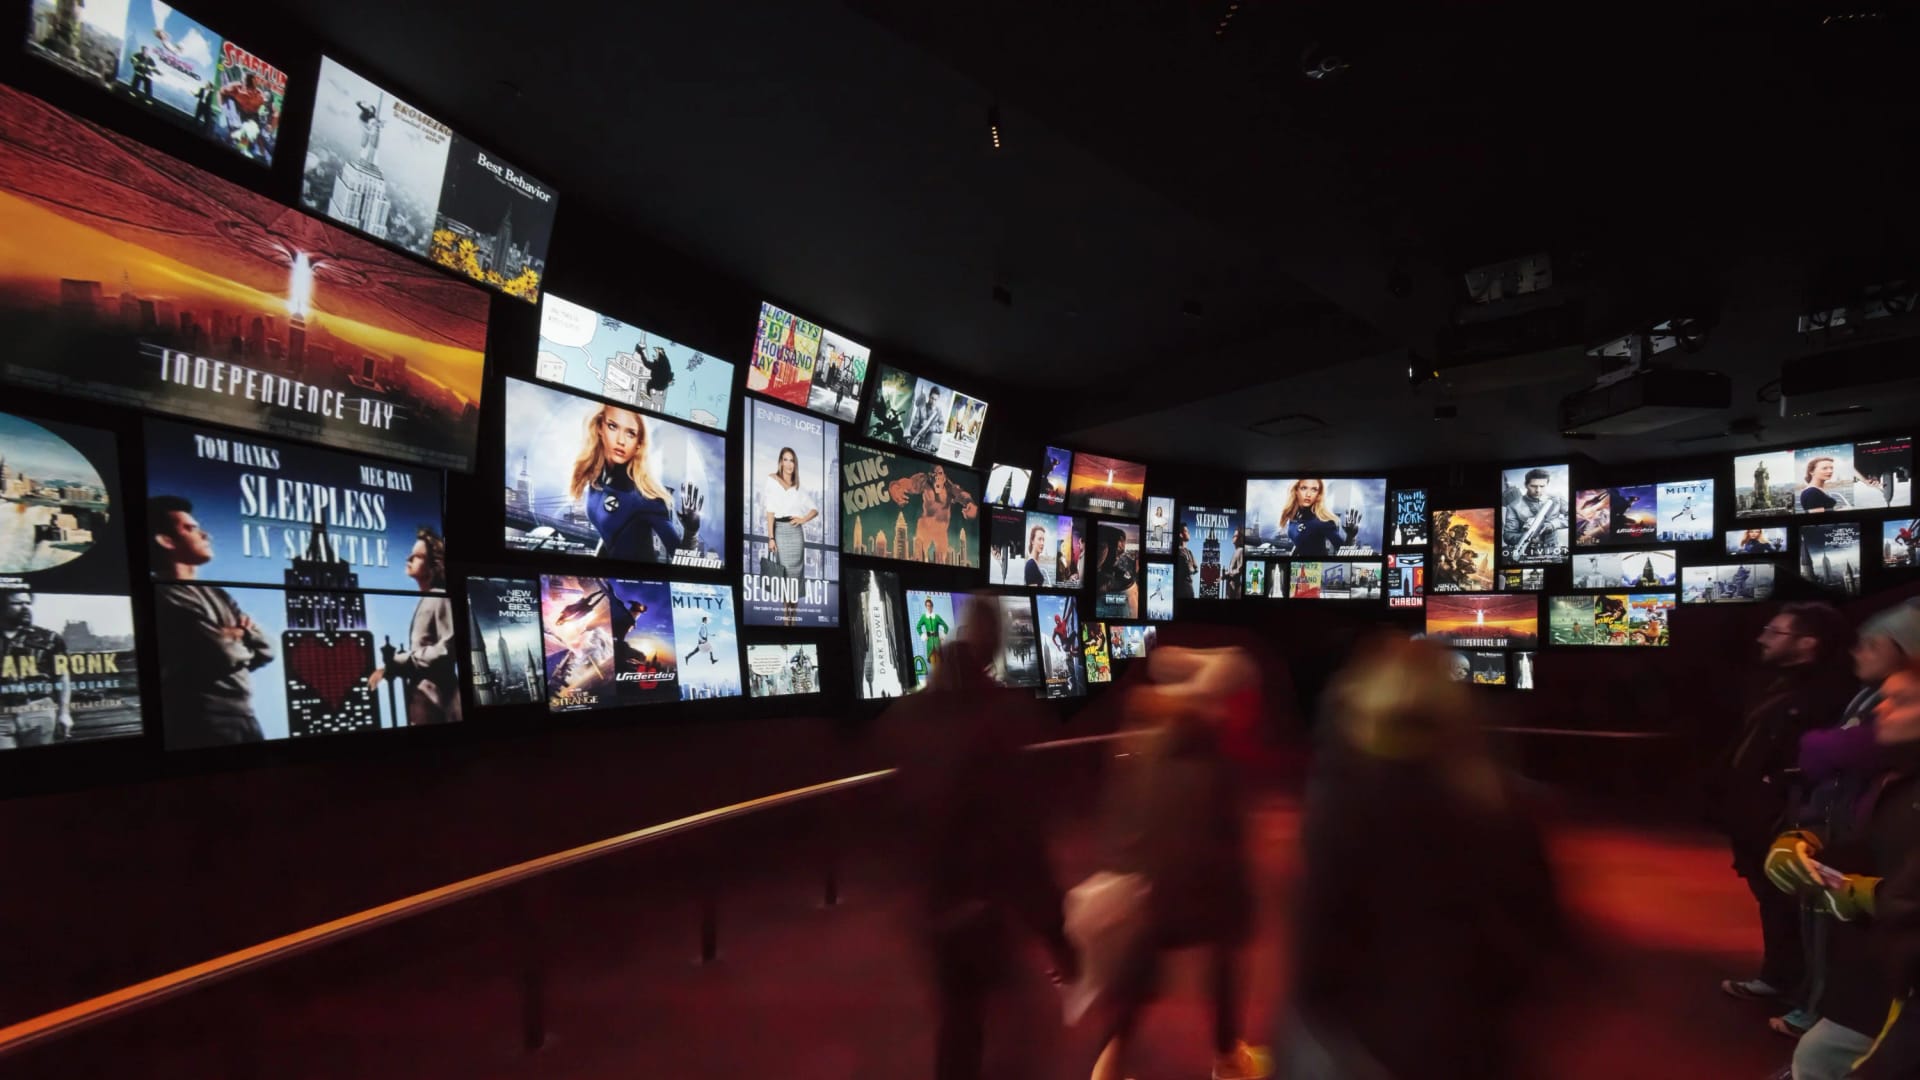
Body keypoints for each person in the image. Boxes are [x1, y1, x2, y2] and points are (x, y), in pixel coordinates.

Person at [1288, 635, 1563, 1079]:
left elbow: (1320, 945)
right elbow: (1542, 938)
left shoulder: (1347, 809)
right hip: (1472, 1044)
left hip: (1371, 1044)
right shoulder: (1504, 807)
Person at [888, 597, 1076, 1080]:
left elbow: (897, 807)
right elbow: (1022, 837)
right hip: (983, 904)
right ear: (993, 644)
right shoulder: (1000, 717)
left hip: (934, 901)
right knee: (1006, 1027)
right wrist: (1056, 934)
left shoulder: (911, 712)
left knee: (960, 1020)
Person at [1089, 646, 1271, 1080]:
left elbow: (1124, 818)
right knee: (1225, 959)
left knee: (1137, 985)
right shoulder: (1211, 755)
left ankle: (1107, 1069)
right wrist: (1243, 906)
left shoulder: (1144, 743)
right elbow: (1223, 843)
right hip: (1194, 895)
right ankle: (1228, 1061)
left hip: (1150, 894)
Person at [1759, 600, 1920, 1071]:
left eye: (1904, 699)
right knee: (1820, 1050)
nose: (1882, 709)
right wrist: (1803, 837)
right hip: (1882, 970)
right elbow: (1869, 833)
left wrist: (1868, 895)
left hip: (1902, 980)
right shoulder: (1900, 774)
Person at [1710, 602, 1859, 1005]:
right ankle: (1785, 978)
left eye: (1775, 632)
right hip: (1756, 818)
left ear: (1807, 643)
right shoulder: (1776, 684)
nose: (1762, 638)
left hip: (1785, 822)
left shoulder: (1828, 695)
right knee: (1772, 902)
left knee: (1789, 904)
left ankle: (1796, 988)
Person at [149, 495, 274, 747]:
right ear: (166, 541)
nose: (206, 535)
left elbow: (267, 647)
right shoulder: (163, 593)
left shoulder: (218, 593)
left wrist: (235, 634)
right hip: (202, 723)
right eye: (191, 528)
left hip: (245, 718)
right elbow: (218, 650)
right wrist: (239, 635)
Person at [570, 403, 704, 562]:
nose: (621, 440)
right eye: (613, 426)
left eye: (631, 433)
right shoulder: (594, 481)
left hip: (642, 584)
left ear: (639, 443)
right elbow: (611, 534)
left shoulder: (648, 499)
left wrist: (691, 532)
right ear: (600, 428)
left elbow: (682, 560)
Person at [367, 527, 461, 726]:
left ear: (433, 565)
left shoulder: (439, 598)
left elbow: (446, 649)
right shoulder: (426, 599)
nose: (408, 559)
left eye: (416, 556)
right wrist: (389, 668)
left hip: (436, 701)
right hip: (424, 698)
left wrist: (400, 660)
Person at [0, 585, 71, 749]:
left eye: (28, 603)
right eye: (17, 603)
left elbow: (62, 677)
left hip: (38, 710)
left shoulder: (49, 638)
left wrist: (64, 713)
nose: (25, 608)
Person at [759, 446, 819, 621]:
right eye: (785, 459)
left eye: (792, 460)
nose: (789, 463)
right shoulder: (772, 480)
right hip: (780, 531)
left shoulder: (799, 488)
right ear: (780, 462)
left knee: (795, 578)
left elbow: (815, 509)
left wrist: (803, 519)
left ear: (795, 463)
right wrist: (771, 537)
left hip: (796, 534)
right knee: (785, 578)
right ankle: (786, 616)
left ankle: (793, 616)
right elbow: (770, 512)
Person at [887, 463, 977, 565]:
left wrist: (970, 503)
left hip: (941, 530)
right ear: (930, 476)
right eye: (934, 474)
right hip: (925, 527)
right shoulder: (924, 483)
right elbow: (908, 483)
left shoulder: (950, 487)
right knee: (918, 558)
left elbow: (962, 494)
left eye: (940, 473)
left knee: (941, 561)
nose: (937, 477)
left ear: (944, 476)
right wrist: (895, 487)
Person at [1280, 479, 1360, 558]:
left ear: (1318, 494)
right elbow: (1302, 542)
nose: (1308, 494)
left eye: (1314, 489)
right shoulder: (1293, 517)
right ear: (1296, 491)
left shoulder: (1323, 521)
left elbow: (1343, 552)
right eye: (1304, 488)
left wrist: (1351, 536)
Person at [1501, 468, 1567, 559]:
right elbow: (1508, 536)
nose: (1538, 490)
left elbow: (1576, 517)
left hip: (1553, 552)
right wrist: (1525, 537)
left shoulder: (1557, 498)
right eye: (1533, 486)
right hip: (1527, 555)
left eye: (1542, 486)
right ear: (1526, 485)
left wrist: (1554, 524)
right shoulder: (1514, 506)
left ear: (1547, 484)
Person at [917, 597, 951, 676]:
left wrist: (942, 636)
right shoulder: (924, 617)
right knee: (933, 666)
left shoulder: (937, 617)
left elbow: (946, 627)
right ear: (926, 607)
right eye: (927, 606)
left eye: (930, 605)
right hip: (929, 644)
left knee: (939, 665)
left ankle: (941, 679)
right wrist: (923, 636)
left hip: (937, 642)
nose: (929, 607)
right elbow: (918, 627)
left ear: (932, 606)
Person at [1174, 523, 1197, 599]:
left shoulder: (1189, 551)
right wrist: (1190, 567)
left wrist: (1190, 567)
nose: (1189, 533)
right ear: (1180, 534)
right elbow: (1189, 569)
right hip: (1183, 587)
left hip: (1189, 586)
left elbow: (1196, 568)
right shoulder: (1179, 551)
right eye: (1186, 531)